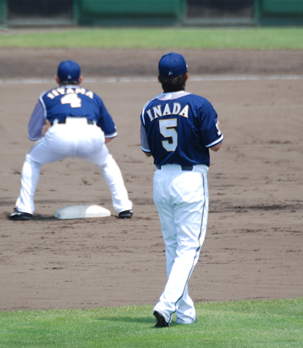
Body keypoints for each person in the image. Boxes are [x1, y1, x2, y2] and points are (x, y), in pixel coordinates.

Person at [139, 53, 223, 327]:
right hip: (190, 181)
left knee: (173, 248)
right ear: (186, 76)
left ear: (159, 79)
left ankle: (184, 313)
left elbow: (147, 150)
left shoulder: (147, 108)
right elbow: (216, 144)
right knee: (189, 248)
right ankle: (165, 305)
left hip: (161, 180)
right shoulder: (200, 104)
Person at [8, 60, 133, 220]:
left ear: (57, 79)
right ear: (80, 79)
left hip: (59, 135)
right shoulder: (93, 96)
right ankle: (124, 208)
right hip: (90, 134)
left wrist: (47, 131)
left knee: (32, 160)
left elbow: (33, 134)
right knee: (107, 162)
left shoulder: (46, 96)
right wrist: (94, 147)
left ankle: (24, 209)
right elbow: (110, 133)